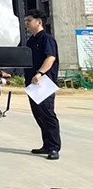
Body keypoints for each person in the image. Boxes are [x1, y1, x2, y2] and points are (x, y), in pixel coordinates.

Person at [24, 9, 61, 160]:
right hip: (32, 84)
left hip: (44, 83)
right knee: (39, 115)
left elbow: (50, 58)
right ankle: (46, 145)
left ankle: (54, 148)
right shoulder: (31, 41)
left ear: (39, 22)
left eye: (29, 20)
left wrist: (40, 73)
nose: (26, 23)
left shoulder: (47, 39)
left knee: (47, 114)